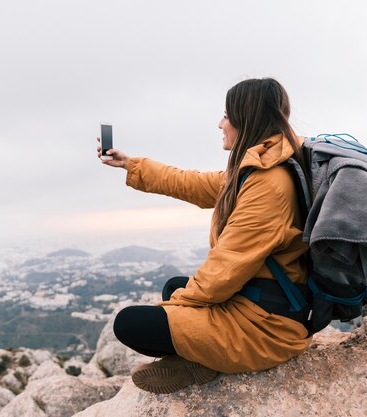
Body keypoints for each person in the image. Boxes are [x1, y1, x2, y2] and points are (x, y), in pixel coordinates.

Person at [96, 78, 313, 394]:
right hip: (261, 300)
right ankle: (199, 356)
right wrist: (130, 164)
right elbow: (190, 183)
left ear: (246, 119)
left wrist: (173, 309)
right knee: (175, 287)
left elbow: (224, 271)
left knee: (131, 324)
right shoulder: (261, 167)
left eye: (227, 116)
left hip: (268, 327)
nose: (220, 123)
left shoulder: (269, 184)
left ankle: (203, 359)